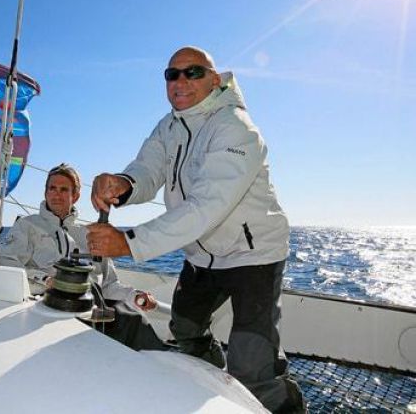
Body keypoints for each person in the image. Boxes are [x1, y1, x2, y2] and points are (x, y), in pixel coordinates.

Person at [87, 47, 305, 413]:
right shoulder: (168, 126)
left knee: (253, 365)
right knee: (186, 331)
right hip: (201, 255)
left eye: (193, 72)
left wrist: (129, 242)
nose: (181, 81)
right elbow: (148, 170)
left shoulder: (236, 128)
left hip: (254, 256)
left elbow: (207, 206)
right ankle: (211, 394)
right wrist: (123, 183)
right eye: (172, 75)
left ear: (215, 80)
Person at [0, 163, 166, 351]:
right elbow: (7, 264)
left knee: (133, 319)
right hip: (46, 306)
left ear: (75, 196)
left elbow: (108, 285)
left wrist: (135, 295)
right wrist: (46, 280)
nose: (56, 194)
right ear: (45, 193)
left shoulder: (89, 234)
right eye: (52, 188)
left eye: (64, 190)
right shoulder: (27, 226)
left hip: (88, 308)